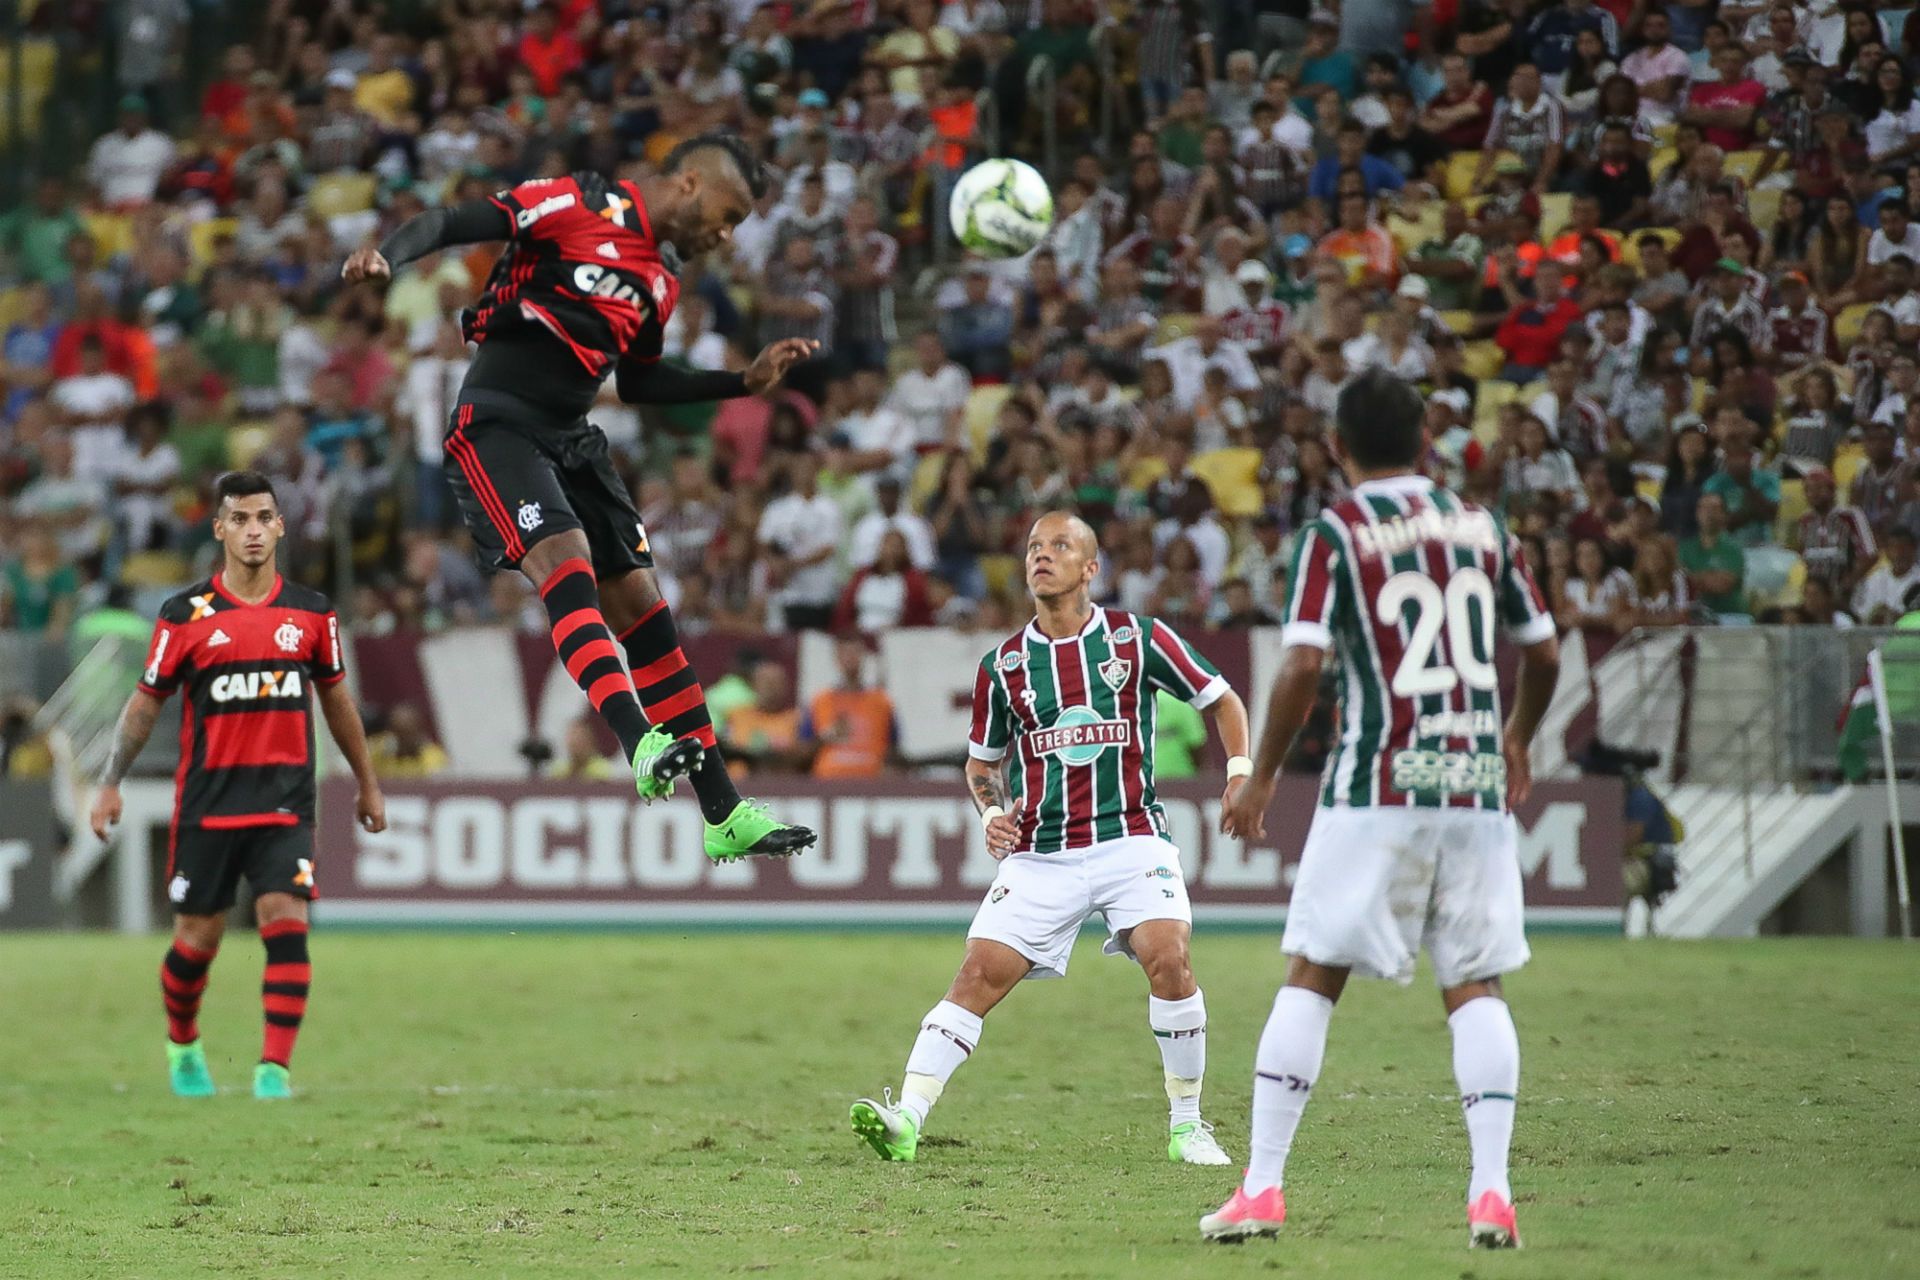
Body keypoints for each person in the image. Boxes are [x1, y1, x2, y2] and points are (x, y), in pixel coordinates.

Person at [340, 131, 816, 863]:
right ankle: (637, 739)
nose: (724, 235)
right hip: (497, 424)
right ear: (689, 182)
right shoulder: (583, 202)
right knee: (566, 561)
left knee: (645, 610)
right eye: (726, 215)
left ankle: (723, 813)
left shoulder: (661, 279)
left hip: (573, 439)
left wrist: (739, 383)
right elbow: (462, 221)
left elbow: (643, 382)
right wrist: (389, 254)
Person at [1204, 369, 1560, 1249]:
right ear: (1427, 440)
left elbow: (1300, 666)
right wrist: (1515, 738)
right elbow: (1545, 650)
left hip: (1378, 785)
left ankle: (1261, 1188)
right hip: (1474, 786)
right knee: (1475, 984)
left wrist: (1263, 779)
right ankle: (1492, 1193)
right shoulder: (1484, 527)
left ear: (1337, 445)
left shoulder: (1338, 532)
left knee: (1315, 970)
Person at [849, 511, 1252, 1169]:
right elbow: (982, 764)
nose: (1042, 555)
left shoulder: (1136, 638)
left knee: (1170, 959)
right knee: (977, 974)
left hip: (1131, 838)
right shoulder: (1005, 665)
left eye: (1060, 545)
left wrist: (1240, 773)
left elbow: (1222, 698)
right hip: (1042, 850)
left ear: (1091, 568)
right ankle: (907, 1120)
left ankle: (1188, 1126)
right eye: (1034, 545)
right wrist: (989, 813)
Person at [87, 471, 386, 1101]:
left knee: (287, 920)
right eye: (240, 519)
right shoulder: (185, 616)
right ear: (219, 528)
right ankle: (184, 1043)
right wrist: (110, 782)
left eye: (264, 518)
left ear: (279, 526)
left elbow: (338, 703)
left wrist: (367, 783)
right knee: (196, 944)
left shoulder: (310, 613)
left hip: (285, 803)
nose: (253, 531)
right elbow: (144, 707)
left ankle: (273, 1070)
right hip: (208, 805)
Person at [805, 635, 897, 779]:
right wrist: (826, 737)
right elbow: (803, 750)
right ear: (837, 658)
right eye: (845, 653)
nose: (850, 658)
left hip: (871, 782)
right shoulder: (820, 701)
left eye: (855, 652)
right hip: (829, 781)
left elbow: (894, 747)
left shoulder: (881, 701)